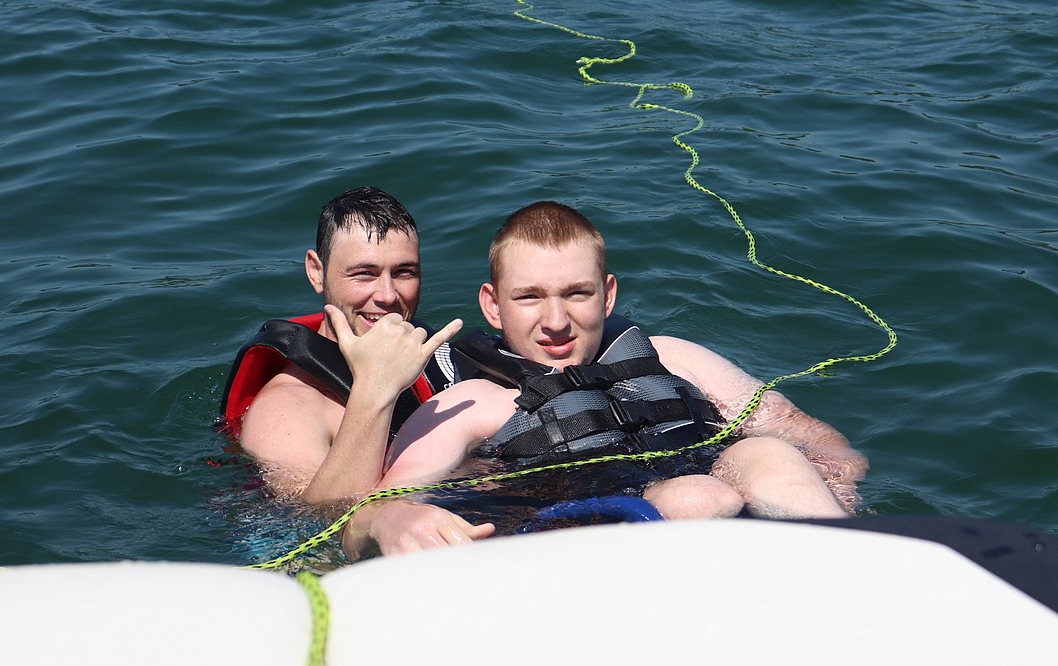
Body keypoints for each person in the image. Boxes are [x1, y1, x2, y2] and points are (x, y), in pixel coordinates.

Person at [341, 201, 867, 558]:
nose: (555, 321)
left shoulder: (675, 358)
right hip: (582, 548)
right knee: (696, 498)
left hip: (721, 517)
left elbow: (817, 439)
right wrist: (393, 521)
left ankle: (860, 565)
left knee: (770, 455)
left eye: (577, 293)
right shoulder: (474, 404)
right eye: (530, 297)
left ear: (608, 294)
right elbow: (366, 512)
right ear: (493, 306)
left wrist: (835, 481)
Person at [220, 187, 461, 504]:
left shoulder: (433, 358)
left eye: (405, 272)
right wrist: (376, 387)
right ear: (316, 272)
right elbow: (317, 521)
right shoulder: (285, 410)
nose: (388, 295)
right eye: (364, 274)